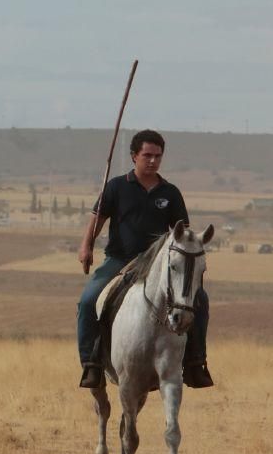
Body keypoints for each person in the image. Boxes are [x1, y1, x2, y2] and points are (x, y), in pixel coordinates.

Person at [76, 129, 214, 389]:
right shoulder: (116, 186)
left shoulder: (170, 192)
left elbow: (180, 234)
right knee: (87, 301)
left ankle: (196, 363)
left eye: (157, 156)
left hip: (158, 264)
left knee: (200, 300)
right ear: (134, 156)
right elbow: (97, 218)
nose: (152, 161)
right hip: (120, 261)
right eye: (147, 155)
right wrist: (86, 246)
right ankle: (90, 364)